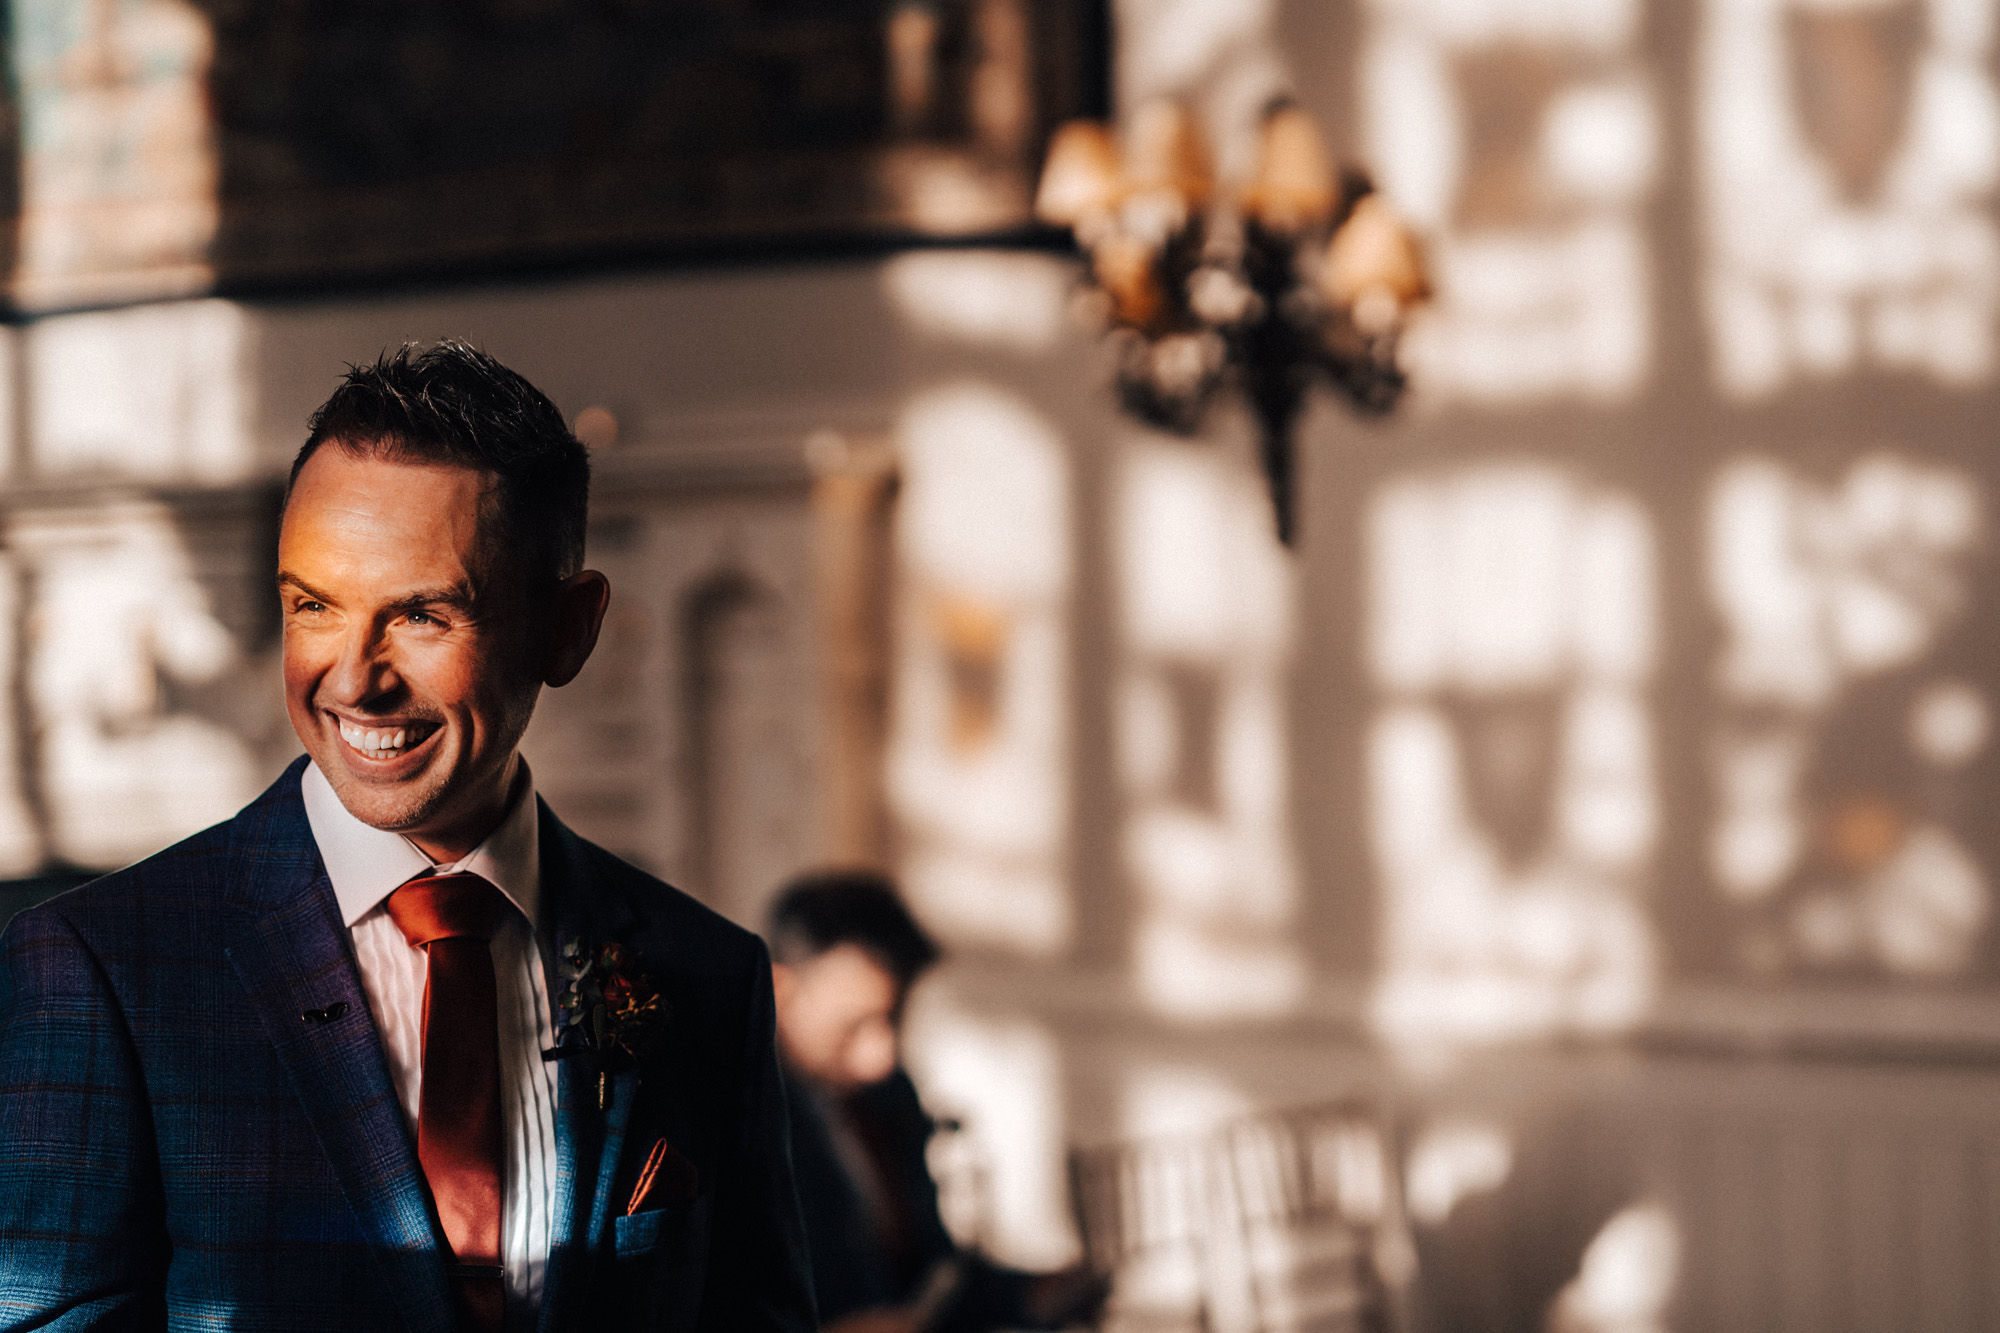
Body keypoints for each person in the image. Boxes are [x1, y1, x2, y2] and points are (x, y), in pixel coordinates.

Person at [0, 342, 815, 1331]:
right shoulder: (99, 968)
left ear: (569, 627)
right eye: (313, 606)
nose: (352, 680)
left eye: (422, 614)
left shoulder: (703, 975)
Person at [767, 871, 1107, 1333]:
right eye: (855, 1025)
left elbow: (932, 1280)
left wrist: (1034, 1292)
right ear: (780, 991)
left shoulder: (886, 1098)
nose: (881, 1058)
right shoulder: (730, 1123)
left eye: (893, 1018)